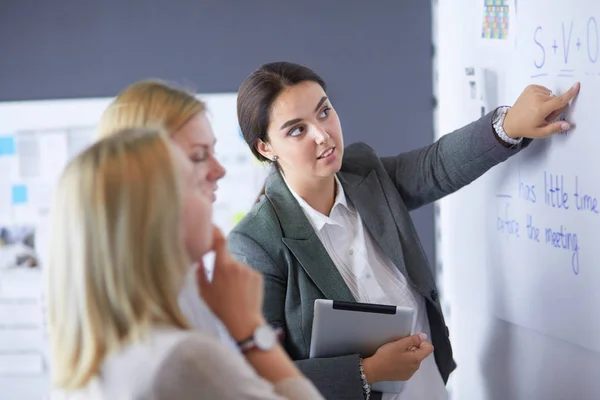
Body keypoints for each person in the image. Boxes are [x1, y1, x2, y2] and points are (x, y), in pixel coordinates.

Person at [228, 61, 580, 400]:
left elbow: (435, 166)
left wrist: (507, 126)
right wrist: (367, 371)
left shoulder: (364, 172)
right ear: (265, 147)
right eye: (297, 129)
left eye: (324, 112)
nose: (322, 135)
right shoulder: (256, 243)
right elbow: (256, 375)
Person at [46, 128, 324, 399]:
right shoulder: (183, 360)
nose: (209, 190)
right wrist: (249, 329)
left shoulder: (94, 363)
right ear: (161, 217)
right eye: (195, 183)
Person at [96, 79, 231, 344]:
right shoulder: (143, 310)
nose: (219, 170)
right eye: (197, 156)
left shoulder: (185, 275)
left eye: (212, 151)